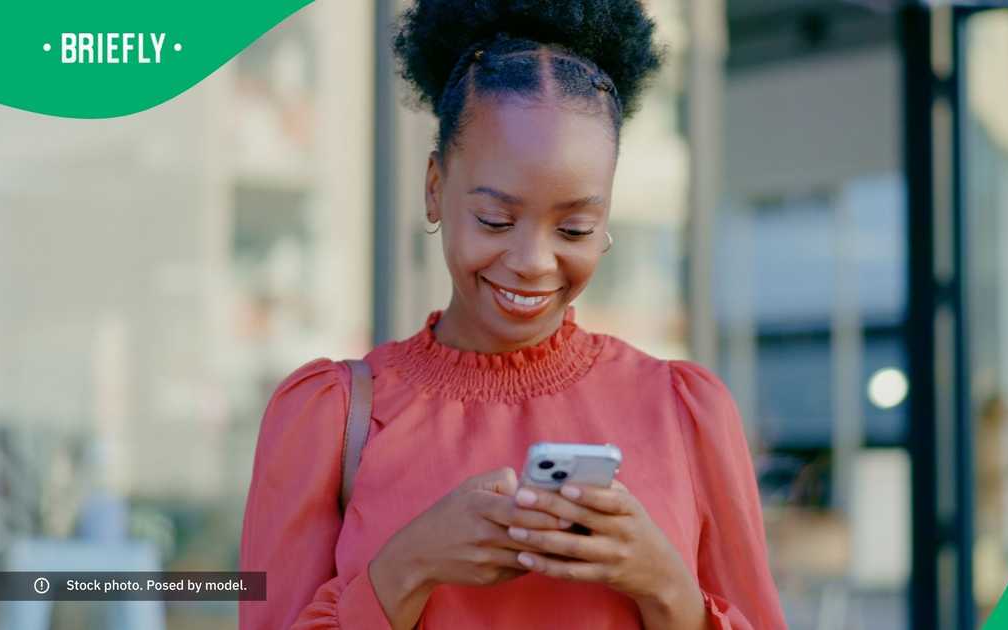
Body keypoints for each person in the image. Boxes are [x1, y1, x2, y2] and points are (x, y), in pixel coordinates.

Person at [239, 1, 786, 628]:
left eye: (576, 228)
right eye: (496, 220)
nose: (533, 261)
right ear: (435, 187)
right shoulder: (330, 421)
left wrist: (665, 587)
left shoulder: (686, 415)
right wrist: (409, 566)